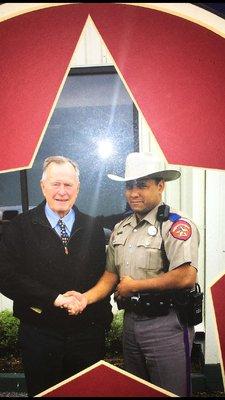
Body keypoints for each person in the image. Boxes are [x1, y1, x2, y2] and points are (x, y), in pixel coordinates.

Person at [64, 152, 200, 397]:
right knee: (136, 390)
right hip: (131, 323)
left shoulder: (176, 225)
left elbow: (186, 276)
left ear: (160, 186)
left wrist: (135, 286)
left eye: (142, 185)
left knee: (171, 392)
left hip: (167, 324)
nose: (134, 193)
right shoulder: (122, 228)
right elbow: (110, 275)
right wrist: (85, 298)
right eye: (129, 186)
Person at [0, 155, 112, 396]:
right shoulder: (19, 227)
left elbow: (105, 275)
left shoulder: (93, 228)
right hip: (40, 336)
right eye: (55, 184)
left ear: (78, 188)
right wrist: (55, 298)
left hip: (87, 336)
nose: (62, 191)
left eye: (68, 185)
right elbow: (6, 276)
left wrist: (100, 320)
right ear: (42, 186)